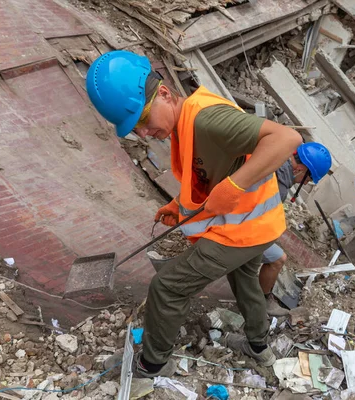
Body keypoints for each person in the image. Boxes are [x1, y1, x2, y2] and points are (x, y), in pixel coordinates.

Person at [85, 50, 302, 376]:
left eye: (143, 120)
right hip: (258, 228)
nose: (143, 133)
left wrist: (235, 186)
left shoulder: (207, 119)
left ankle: (152, 364)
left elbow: (286, 138)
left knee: (167, 288)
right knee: (246, 284)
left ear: (164, 93)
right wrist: (179, 206)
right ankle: (260, 348)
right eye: (135, 128)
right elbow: (207, 176)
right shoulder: (183, 126)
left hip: (243, 231)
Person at [259, 143, 332, 316]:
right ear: (300, 168)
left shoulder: (273, 155)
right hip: (238, 230)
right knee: (278, 258)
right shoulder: (279, 186)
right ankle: (261, 301)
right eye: (307, 179)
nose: (305, 182)